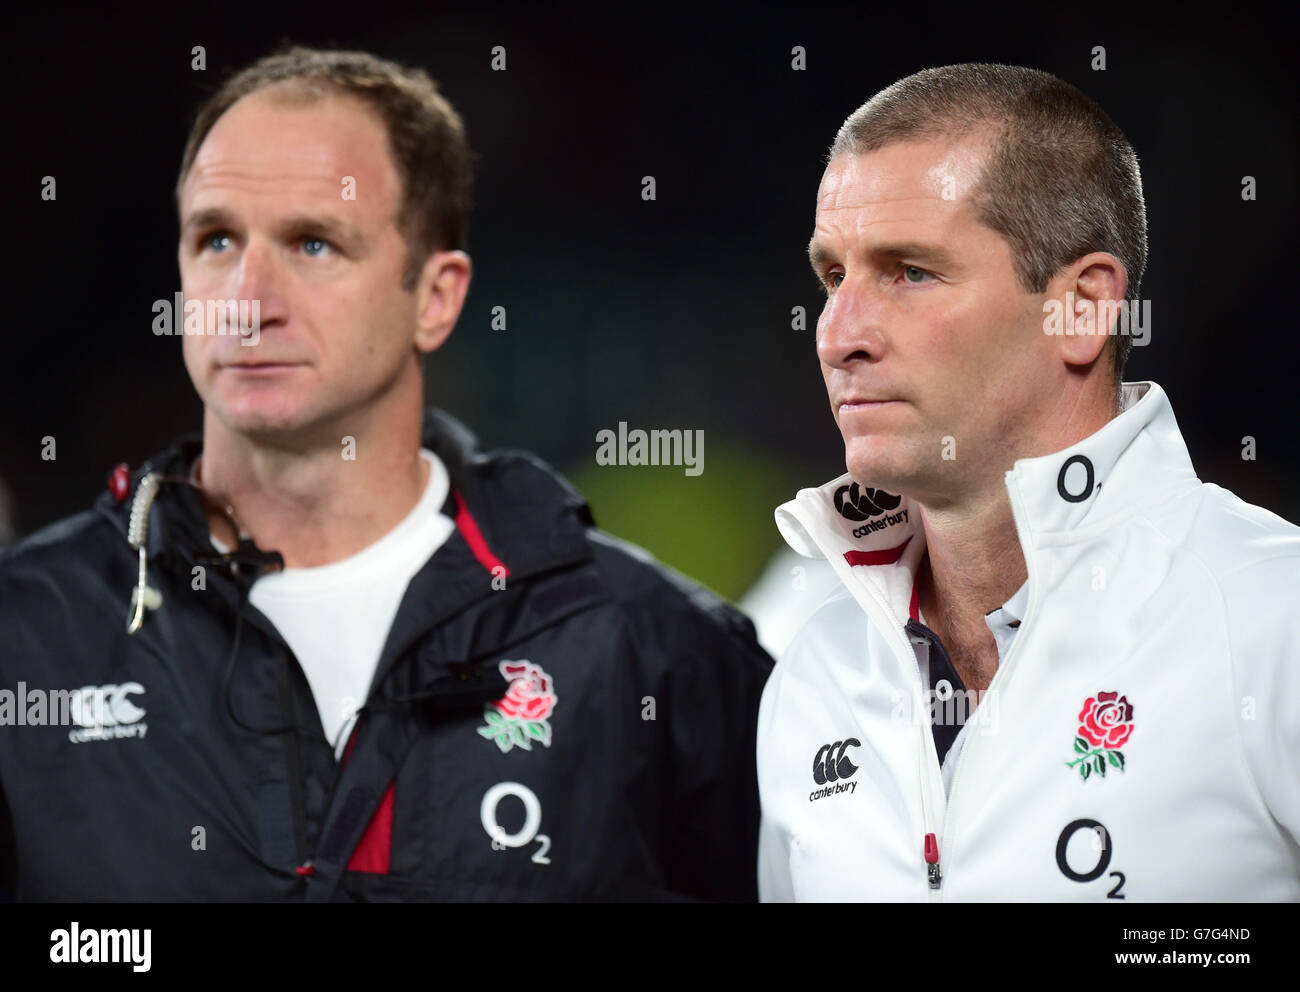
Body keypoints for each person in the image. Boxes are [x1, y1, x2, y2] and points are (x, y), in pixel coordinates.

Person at [0, 46, 772, 902]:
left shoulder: (650, 652)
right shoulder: (27, 632)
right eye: (215, 238)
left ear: (435, 297)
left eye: (314, 243)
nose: (247, 296)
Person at [756, 63, 1300, 901]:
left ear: (1082, 308)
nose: (838, 334)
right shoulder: (812, 670)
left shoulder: (1274, 620)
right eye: (833, 276)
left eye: (910, 271)